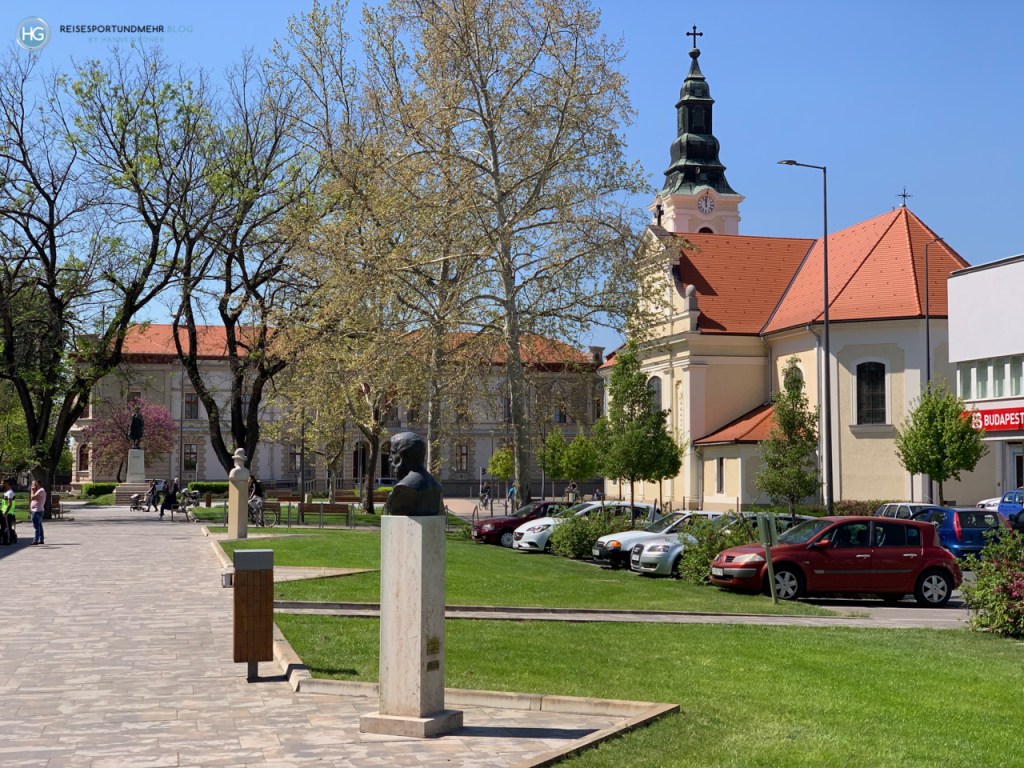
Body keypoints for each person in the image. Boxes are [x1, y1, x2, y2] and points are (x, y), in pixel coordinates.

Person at [384, 432, 443, 517]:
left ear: (405, 455)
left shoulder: (403, 488)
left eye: (393, 453)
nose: (390, 459)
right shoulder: (436, 485)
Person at [29, 479, 45, 545]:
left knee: (36, 526)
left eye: (33, 484)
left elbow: (32, 498)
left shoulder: (40, 491)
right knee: (39, 526)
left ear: (37, 484)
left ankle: (36, 540)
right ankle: (41, 539)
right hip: (37, 510)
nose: (32, 485)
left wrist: (32, 491)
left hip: (37, 511)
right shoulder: (38, 491)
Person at [0, 479, 14, 545]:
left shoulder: (10, 492)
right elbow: (4, 503)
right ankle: (4, 540)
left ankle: (8, 540)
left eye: (2, 483)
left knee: (7, 527)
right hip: (3, 511)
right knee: (3, 527)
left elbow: (9, 504)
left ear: (7, 483)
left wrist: (6, 513)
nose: (1, 484)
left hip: (8, 513)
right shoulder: (5, 492)